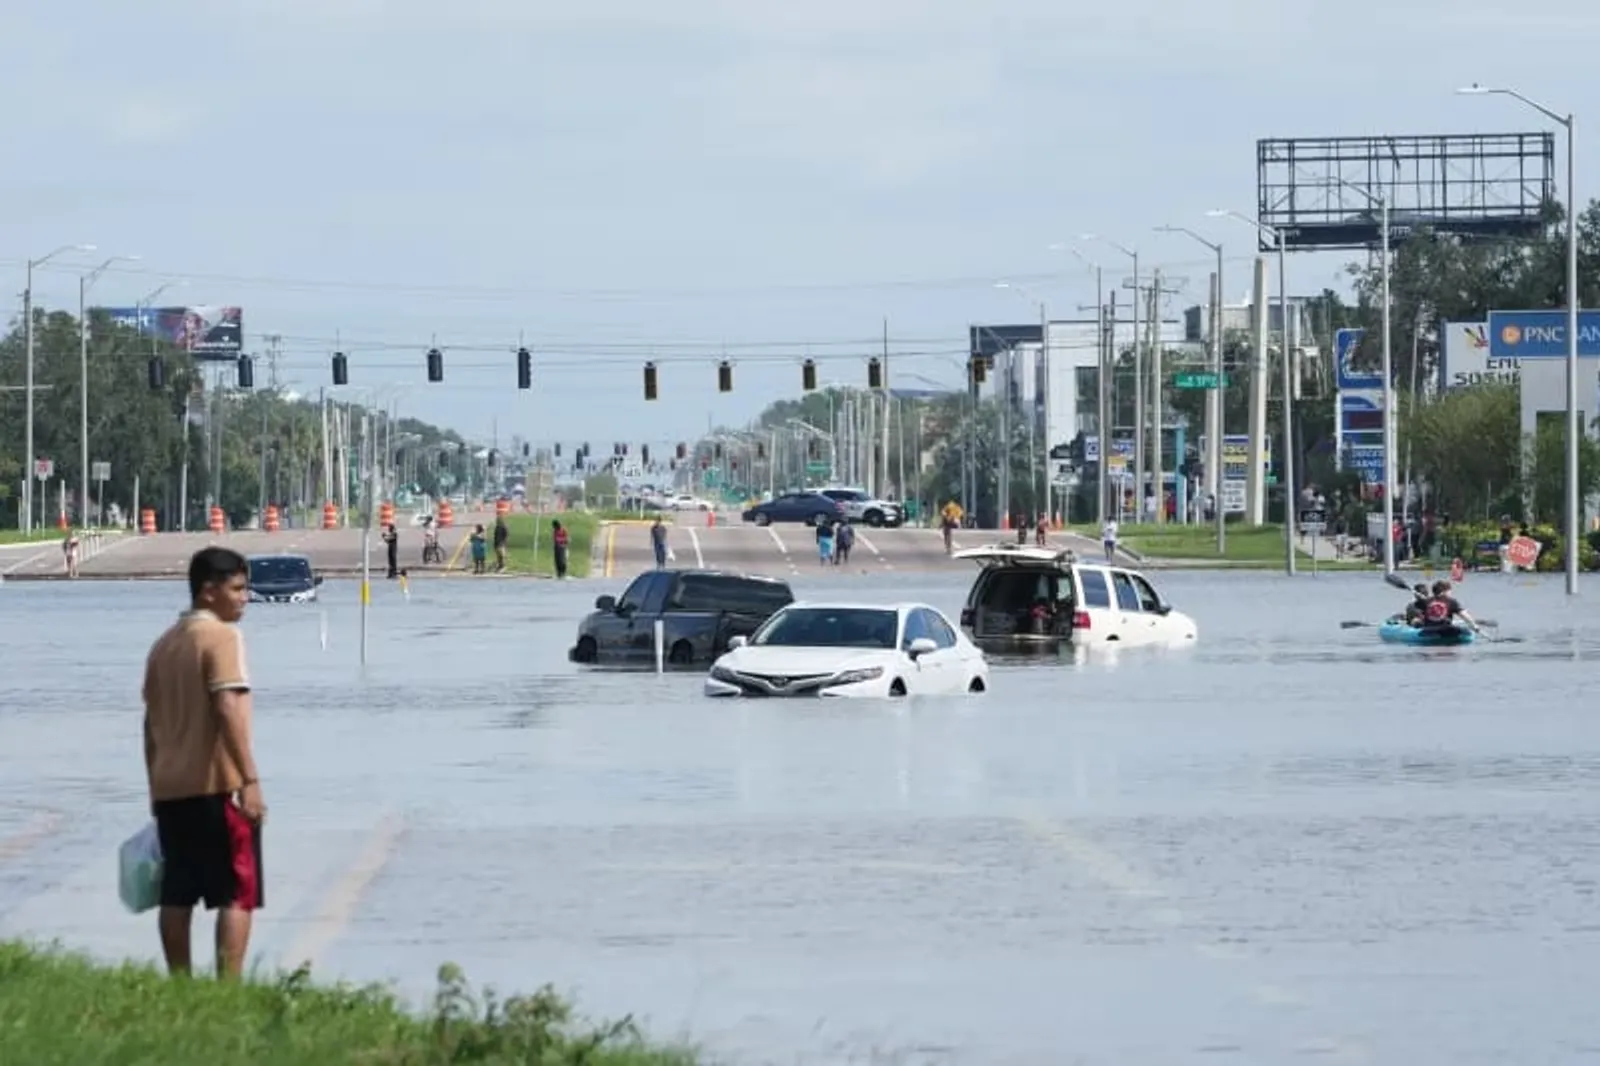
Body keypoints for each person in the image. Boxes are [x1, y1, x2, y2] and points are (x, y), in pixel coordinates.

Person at [141, 547, 265, 979]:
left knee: (177, 892)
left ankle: (181, 983)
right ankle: (227, 989)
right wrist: (249, 779)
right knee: (236, 891)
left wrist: (155, 790)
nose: (245, 598)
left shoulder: (164, 645)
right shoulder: (222, 637)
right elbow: (227, 706)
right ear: (208, 591)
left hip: (171, 790)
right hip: (218, 786)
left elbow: (149, 727)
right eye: (238, 589)